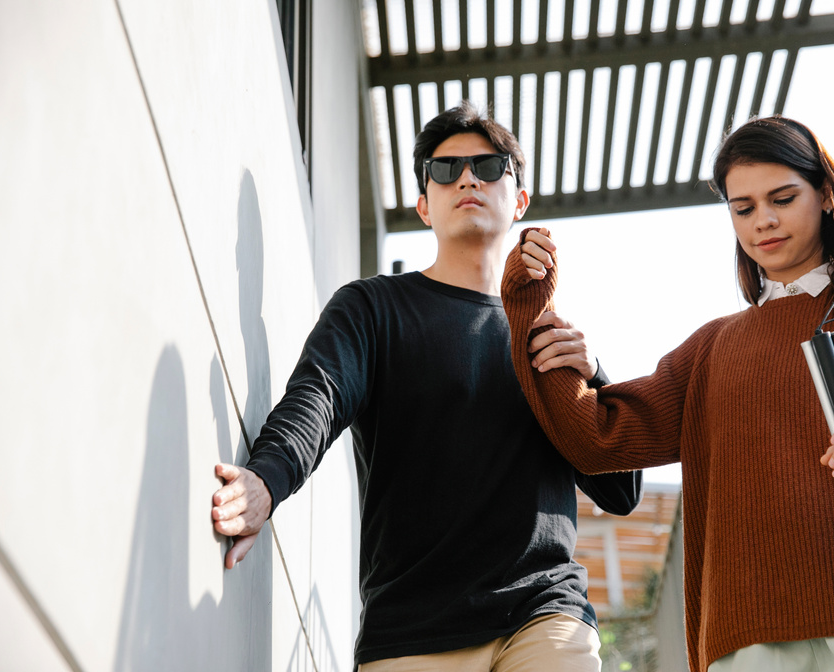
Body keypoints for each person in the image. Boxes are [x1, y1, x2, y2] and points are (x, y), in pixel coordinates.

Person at [501, 115, 834, 672]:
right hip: (751, 638)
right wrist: (530, 306)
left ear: (827, 195)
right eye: (742, 209)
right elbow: (598, 439)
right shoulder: (714, 346)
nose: (763, 220)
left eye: (782, 199)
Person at [211, 100, 643, 671]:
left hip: (545, 615)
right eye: (445, 169)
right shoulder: (373, 308)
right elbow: (319, 395)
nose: (467, 178)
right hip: (411, 629)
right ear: (424, 206)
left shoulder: (545, 339)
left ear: (519, 201)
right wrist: (267, 479)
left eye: (488, 166)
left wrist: (595, 377)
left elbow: (622, 490)